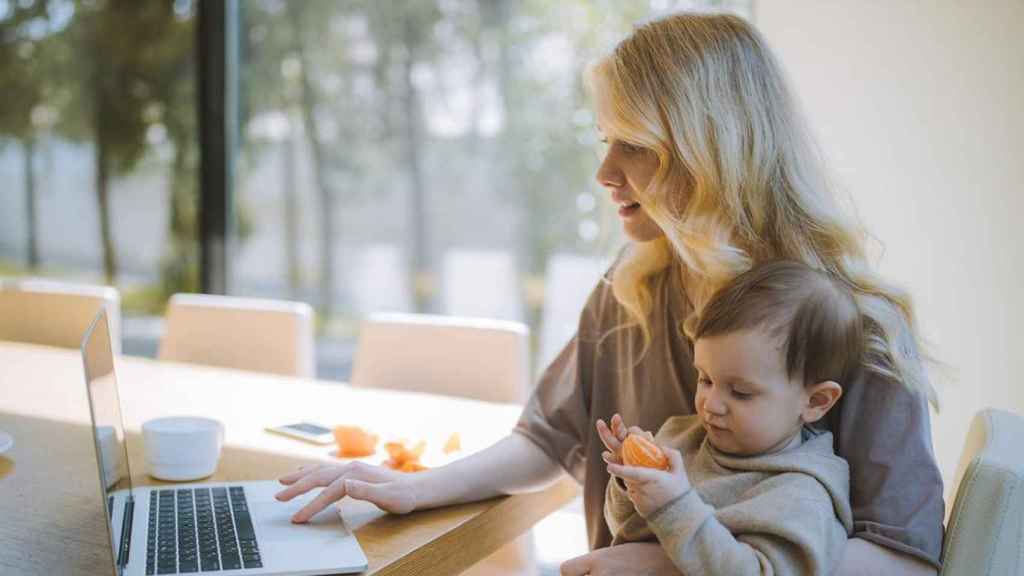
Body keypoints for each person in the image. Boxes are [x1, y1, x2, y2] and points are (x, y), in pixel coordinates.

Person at [275, 12, 944, 575]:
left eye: (632, 145)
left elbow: (903, 558)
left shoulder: (859, 327)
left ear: (708, 150)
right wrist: (416, 488)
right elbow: (548, 439)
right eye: (604, 140)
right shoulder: (632, 285)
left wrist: (673, 561)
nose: (604, 171)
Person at [599, 260, 862, 575]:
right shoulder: (682, 438)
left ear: (816, 401)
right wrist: (631, 482)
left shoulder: (800, 495)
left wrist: (673, 507)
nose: (711, 404)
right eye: (705, 379)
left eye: (740, 392)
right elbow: (625, 531)